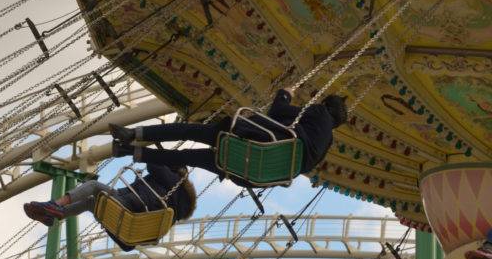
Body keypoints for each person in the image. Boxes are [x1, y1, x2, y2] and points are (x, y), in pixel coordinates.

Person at [110, 88, 347, 186]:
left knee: (188, 130)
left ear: (327, 105)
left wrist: (285, 93)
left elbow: (277, 111)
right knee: (186, 157)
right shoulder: (325, 145)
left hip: (251, 141)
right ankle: (129, 151)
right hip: (245, 170)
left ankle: (133, 134)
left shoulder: (320, 113)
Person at [23, 164, 196, 250]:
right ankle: (52, 214)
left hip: (132, 209)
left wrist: (151, 149)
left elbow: (153, 164)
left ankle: (54, 206)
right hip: (130, 237)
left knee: (93, 186)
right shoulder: (174, 207)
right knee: (91, 202)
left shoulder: (175, 181)